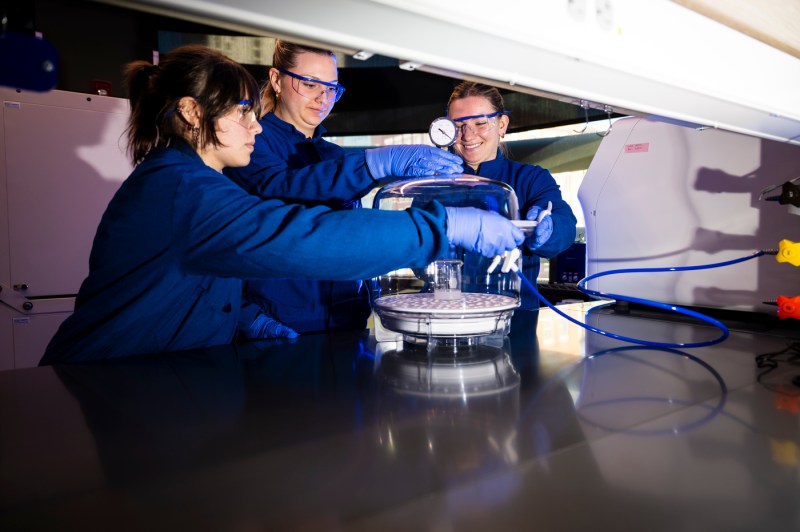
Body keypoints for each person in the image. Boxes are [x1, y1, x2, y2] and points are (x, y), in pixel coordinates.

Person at [39, 45, 523, 365]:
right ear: (191, 113)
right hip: (104, 383)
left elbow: (208, 264)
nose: (255, 126)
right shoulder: (183, 189)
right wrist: (442, 228)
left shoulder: (189, 180)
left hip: (160, 375)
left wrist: (235, 313)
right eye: (243, 112)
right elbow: (299, 234)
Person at [225, 40, 464, 339]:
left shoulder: (334, 155)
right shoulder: (253, 144)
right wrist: (377, 164)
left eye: (331, 88)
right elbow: (287, 186)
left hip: (346, 318)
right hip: (281, 321)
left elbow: (352, 231)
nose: (322, 98)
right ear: (276, 79)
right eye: (310, 85)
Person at [446, 81, 578, 308]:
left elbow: (565, 225)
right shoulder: (435, 184)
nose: (467, 135)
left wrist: (549, 229)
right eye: (458, 126)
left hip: (515, 316)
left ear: (502, 124)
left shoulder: (530, 178)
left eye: (480, 123)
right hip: (444, 313)